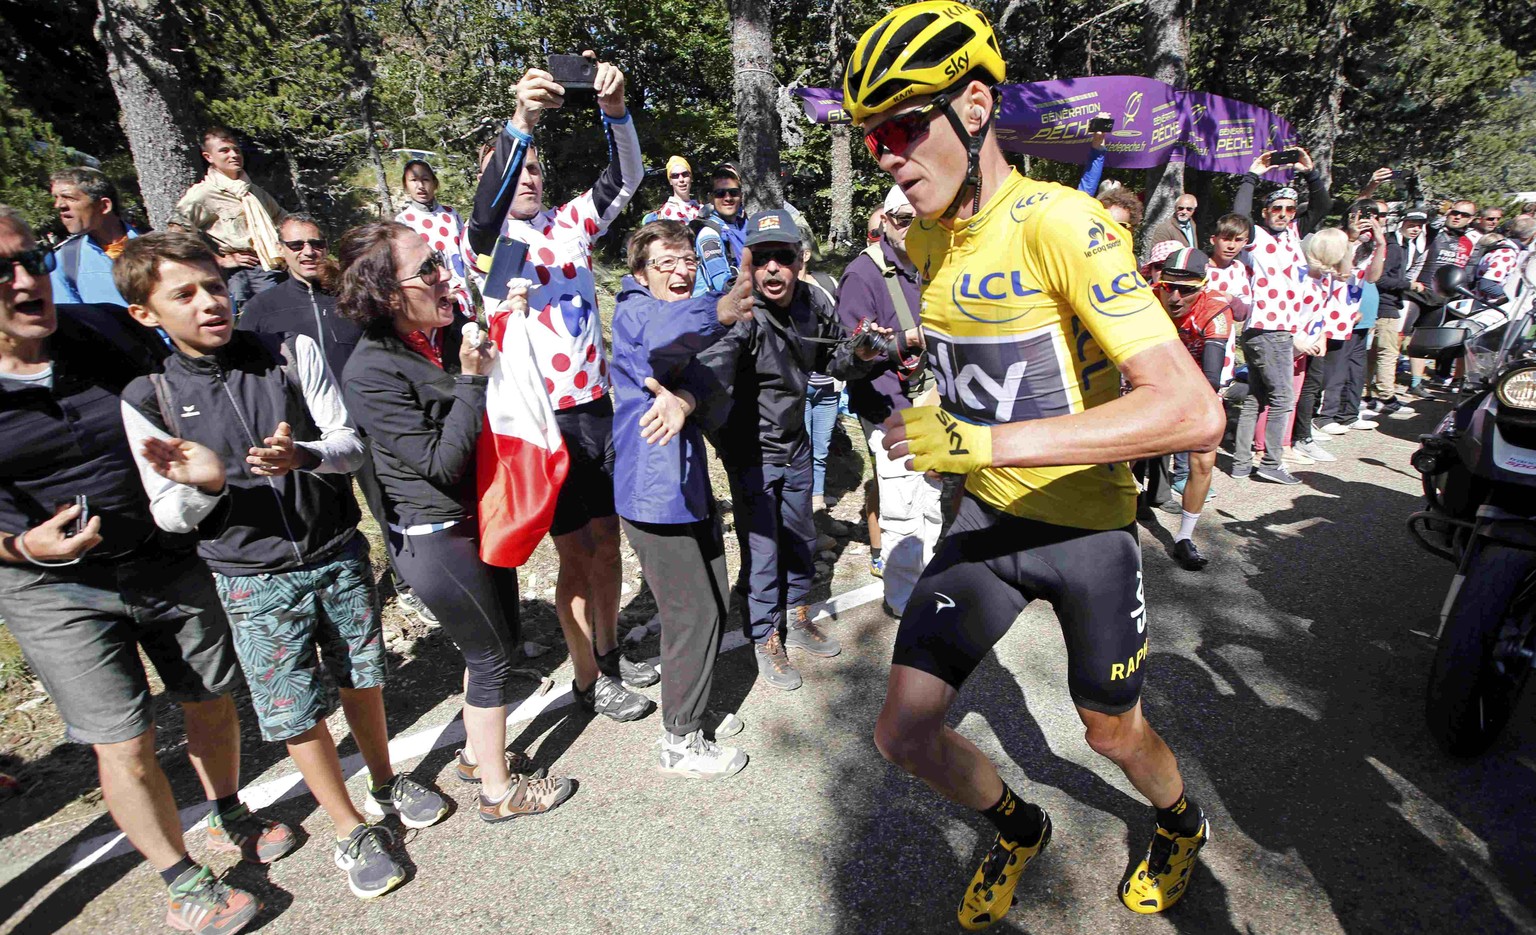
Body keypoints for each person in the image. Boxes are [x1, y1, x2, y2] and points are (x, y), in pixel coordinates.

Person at [843, 4, 1225, 926]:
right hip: (985, 525)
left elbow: (1190, 408)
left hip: (1086, 530)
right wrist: (942, 407)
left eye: (901, 126)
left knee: (1110, 731)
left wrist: (983, 440)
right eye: (870, 141)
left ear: (974, 107)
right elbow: (990, 374)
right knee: (901, 732)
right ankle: (1017, 826)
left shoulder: (1065, 222)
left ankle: (1180, 823)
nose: (887, 156)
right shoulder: (925, 239)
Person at [116, 232, 445, 899]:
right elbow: (168, 513)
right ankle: (349, 825)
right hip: (250, 575)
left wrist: (307, 457)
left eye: (212, 285)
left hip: (335, 550)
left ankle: (385, 778)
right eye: (184, 294)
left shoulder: (287, 353)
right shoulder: (147, 396)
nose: (209, 302)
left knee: (362, 678)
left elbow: (350, 444)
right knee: (296, 708)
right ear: (145, 314)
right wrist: (206, 481)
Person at [0, 205, 294, 934]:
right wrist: (22, 548)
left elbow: (186, 379)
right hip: (52, 586)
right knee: (123, 738)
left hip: (163, 554)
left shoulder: (105, 328)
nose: (23, 278)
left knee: (210, 692)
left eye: (30, 257)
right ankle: (179, 875)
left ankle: (227, 807)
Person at [338, 221, 574, 822]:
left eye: (439, 259)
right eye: (426, 269)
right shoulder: (371, 370)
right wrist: (471, 378)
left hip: (475, 520)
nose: (442, 274)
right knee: (489, 658)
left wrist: (503, 326)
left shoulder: (431, 339)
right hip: (434, 535)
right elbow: (441, 465)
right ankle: (498, 793)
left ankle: (475, 754)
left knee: (500, 646)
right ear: (388, 295)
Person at [463, 53, 658, 722]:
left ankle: (607, 652)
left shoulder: (569, 224)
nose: (528, 177)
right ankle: (585, 677)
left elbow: (627, 177)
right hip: (545, 423)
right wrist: (522, 120)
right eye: (515, 169)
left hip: (597, 410)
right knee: (575, 554)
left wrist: (615, 112)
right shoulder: (485, 242)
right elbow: (486, 206)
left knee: (608, 541)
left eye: (536, 168)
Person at [234, 215, 437, 629]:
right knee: (328, 517)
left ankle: (410, 585)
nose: (307, 251)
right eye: (296, 245)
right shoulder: (263, 308)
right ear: (281, 249)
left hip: (365, 423)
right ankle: (336, 597)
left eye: (316, 242)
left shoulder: (345, 298)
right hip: (308, 438)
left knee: (388, 508)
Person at [610, 219, 757, 777]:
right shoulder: (636, 311)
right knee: (690, 613)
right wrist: (719, 310)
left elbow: (713, 390)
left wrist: (689, 398)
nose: (680, 270)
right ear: (640, 273)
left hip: (687, 486)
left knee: (714, 601)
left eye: (687, 260)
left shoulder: (682, 321)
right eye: (665, 262)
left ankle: (693, 704)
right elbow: (661, 334)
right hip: (653, 493)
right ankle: (681, 739)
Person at [695, 210, 852, 691]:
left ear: (799, 261)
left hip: (795, 445)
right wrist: (685, 398)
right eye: (762, 260)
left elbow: (834, 355)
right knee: (763, 551)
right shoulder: (743, 313)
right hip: (752, 453)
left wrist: (863, 354)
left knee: (801, 535)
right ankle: (765, 636)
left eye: (781, 258)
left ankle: (797, 611)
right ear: (749, 264)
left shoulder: (811, 302)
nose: (772, 270)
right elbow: (713, 363)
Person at [834, 184, 941, 617]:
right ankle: (902, 602)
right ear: (884, 222)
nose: (910, 225)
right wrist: (904, 342)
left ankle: (929, 591)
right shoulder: (863, 274)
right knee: (899, 511)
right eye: (900, 218)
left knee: (931, 505)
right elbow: (849, 351)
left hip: (935, 404)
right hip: (890, 407)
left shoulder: (932, 261)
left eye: (917, 216)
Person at [1228, 148, 1331, 484]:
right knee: (1284, 398)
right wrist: (1253, 173)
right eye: (1277, 209)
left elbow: (1321, 208)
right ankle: (1271, 463)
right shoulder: (1255, 237)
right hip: (1268, 328)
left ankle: (1242, 463)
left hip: (1276, 330)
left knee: (1257, 398)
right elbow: (1239, 212)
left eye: (1289, 209)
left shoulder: (1294, 235)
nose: (1284, 214)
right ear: (1265, 211)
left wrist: (1310, 172)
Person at [1153, 247, 1231, 570]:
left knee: (1202, 460)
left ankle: (1184, 537)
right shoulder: (1149, 297)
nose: (1174, 297)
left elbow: (1210, 378)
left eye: (1186, 290)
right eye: (1169, 287)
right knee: (1124, 453)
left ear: (1202, 287)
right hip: (1156, 376)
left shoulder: (1215, 309)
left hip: (1199, 384)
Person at [172, 126, 289, 307]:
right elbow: (177, 233)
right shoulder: (203, 194)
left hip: (277, 264)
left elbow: (283, 219)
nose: (233, 155)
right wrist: (219, 260)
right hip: (247, 273)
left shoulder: (253, 191)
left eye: (236, 149)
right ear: (208, 157)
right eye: (224, 150)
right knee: (264, 327)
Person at [1295, 219, 1385, 449]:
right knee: (1316, 380)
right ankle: (1310, 424)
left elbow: (1364, 275)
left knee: (1326, 376)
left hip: (1342, 323)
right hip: (1321, 328)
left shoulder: (1364, 252)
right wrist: (1351, 239)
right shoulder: (1314, 271)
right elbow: (1343, 272)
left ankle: (1309, 426)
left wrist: (1380, 242)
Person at [1366, 207, 1434, 416]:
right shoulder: (1394, 247)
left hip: (1386, 303)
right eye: (1411, 225)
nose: (1415, 229)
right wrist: (1409, 285)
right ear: (1401, 223)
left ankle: (1366, 393)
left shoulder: (1404, 245)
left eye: (1419, 226)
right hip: (1385, 304)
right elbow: (1381, 278)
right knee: (1388, 352)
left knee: (1373, 352)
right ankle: (1386, 395)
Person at [394, 160, 475, 315]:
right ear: (405, 185)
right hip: (432, 299)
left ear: (434, 183)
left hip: (461, 294)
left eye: (425, 179)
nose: (420, 186)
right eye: (413, 180)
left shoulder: (451, 214)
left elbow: (464, 250)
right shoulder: (404, 221)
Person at [49, 167, 139, 305]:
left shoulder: (157, 245)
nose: (59, 205)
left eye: (69, 197)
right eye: (56, 198)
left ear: (104, 206)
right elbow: (73, 319)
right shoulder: (66, 261)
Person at [697, 163, 748, 265]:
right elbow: (722, 280)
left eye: (733, 192)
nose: (728, 198)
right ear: (711, 198)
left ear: (741, 196)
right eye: (720, 193)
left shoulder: (747, 226)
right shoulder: (709, 235)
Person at [652, 155, 702, 222]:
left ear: (691, 178)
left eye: (685, 174)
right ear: (670, 181)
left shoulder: (700, 207)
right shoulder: (668, 211)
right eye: (675, 176)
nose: (681, 179)